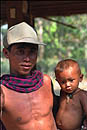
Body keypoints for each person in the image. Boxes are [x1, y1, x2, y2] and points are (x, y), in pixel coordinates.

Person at [0, 22, 57, 130]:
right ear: (6, 53)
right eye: (20, 52)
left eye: (32, 52)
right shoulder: (3, 91)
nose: (27, 59)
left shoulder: (45, 82)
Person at [54, 59, 87, 130]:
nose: (67, 85)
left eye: (71, 80)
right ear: (57, 81)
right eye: (63, 82)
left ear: (80, 78)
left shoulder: (82, 95)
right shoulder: (62, 93)